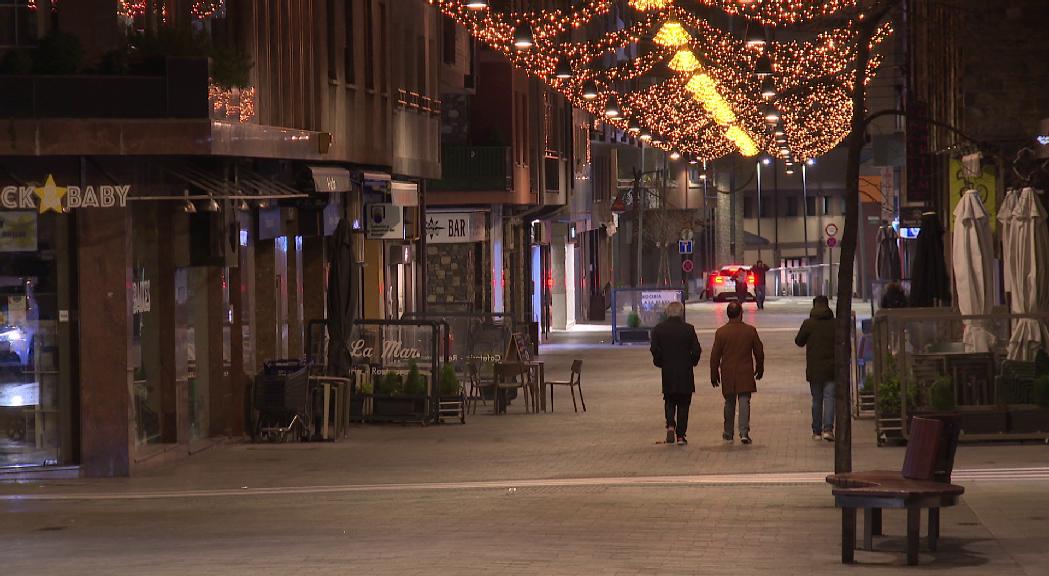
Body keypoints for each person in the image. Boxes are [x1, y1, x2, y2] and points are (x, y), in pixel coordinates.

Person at [710, 301, 764, 444]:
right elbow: (759, 351)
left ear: (728, 314)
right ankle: (744, 432)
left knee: (729, 402)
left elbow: (715, 355)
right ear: (740, 313)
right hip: (745, 371)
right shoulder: (750, 331)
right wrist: (760, 367)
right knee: (744, 401)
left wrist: (714, 374)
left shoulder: (721, 332)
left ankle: (728, 432)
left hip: (728, 372)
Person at [650, 301, 702, 445]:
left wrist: (660, 362)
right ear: (681, 313)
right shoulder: (689, 329)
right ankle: (680, 436)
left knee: (669, 399)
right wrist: (692, 362)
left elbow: (654, 349)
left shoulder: (658, 329)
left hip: (668, 371)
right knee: (684, 403)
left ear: (667, 313)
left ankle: (670, 425)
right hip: (685, 372)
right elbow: (697, 350)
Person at [795, 295, 836, 441]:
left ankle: (816, 431)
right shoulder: (835, 324)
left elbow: (799, 341)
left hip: (815, 368)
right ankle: (828, 429)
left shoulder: (808, 324)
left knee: (817, 399)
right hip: (832, 368)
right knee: (830, 398)